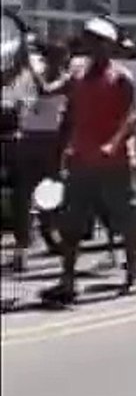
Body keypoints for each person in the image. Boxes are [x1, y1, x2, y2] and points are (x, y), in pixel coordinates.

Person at [40, 18, 136, 305]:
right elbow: (50, 92)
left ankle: (133, 274)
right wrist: (28, 67)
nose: (92, 44)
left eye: (98, 39)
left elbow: (133, 116)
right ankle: (67, 280)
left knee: (127, 219)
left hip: (116, 161)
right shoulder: (77, 76)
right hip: (81, 160)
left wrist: (114, 142)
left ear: (109, 44)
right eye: (88, 39)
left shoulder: (122, 77)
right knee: (71, 223)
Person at [9, 39, 70, 272]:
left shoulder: (65, 79)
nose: (55, 61)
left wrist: (29, 68)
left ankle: (52, 237)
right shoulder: (30, 75)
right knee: (22, 194)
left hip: (52, 140)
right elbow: (17, 97)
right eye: (52, 56)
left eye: (59, 57)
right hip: (28, 138)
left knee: (51, 194)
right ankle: (22, 246)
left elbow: (45, 90)